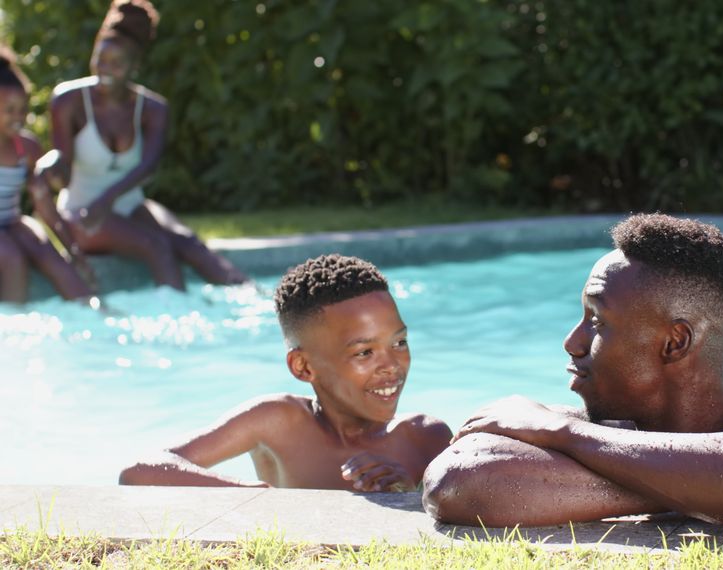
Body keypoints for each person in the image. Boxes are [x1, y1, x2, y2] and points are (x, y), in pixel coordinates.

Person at [423, 214, 723, 527]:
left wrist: (563, 435)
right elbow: (458, 481)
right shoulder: (572, 424)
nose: (572, 342)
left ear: (675, 342)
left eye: (596, 321)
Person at [119, 254, 452, 490]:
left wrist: (409, 494)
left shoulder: (423, 438)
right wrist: (247, 495)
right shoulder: (278, 422)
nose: (392, 365)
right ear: (303, 366)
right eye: (365, 352)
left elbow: (469, 510)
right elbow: (141, 470)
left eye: (399, 342)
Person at [37, 0, 246, 291]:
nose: (104, 70)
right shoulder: (68, 100)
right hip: (82, 210)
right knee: (156, 245)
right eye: (100, 59)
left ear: (135, 67)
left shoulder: (153, 108)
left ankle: (254, 299)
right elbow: (65, 173)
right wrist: (51, 167)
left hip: (130, 204)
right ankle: (177, 325)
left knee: (189, 244)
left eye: (117, 63)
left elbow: (148, 167)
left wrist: (107, 200)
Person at [0, 47, 96, 303]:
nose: (18, 118)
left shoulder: (27, 148)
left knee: (47, 252)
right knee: (12, 257)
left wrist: (72, 249)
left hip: (11, 221)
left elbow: (43, 203)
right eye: (9, 110)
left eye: (23, 110)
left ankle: (93, 311)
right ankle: (14, 329)